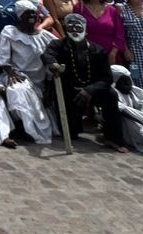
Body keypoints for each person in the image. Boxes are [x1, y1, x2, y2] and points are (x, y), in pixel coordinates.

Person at [45, 13, 124, 151]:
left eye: (78, 27)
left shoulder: (98, 50)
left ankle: (112, 138)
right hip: (69, 93)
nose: (74, 30)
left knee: (111, 95)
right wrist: (53, 64)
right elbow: (48, 55)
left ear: (86, 30)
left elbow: (107, 78)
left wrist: (89, 90)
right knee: (71, 133)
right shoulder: (57, 45)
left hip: (92, 90)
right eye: (71, 27)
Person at [0, 0, 55, 143]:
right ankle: (22, 128)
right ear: (20, 16)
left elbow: (57, 54)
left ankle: (31, 127)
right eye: (27, 13)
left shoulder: (45, 36)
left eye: (33, 12)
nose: (31, 15)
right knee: (18, 90)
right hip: (16, 74)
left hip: (40, 80)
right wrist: (10, 72)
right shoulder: (9, 32)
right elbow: (2, 57)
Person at [109, 65, 143, 154]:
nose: (127, 83)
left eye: (128, 79)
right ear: (115, 82)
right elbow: (123, 110)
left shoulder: (133, 90)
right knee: (128, 118)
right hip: (127, 125)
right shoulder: (113, 93)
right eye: (122, 81)